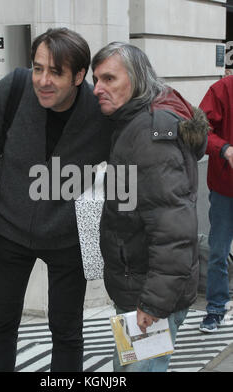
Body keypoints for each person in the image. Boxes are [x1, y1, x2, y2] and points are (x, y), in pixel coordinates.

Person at [0, 28, 112, 372]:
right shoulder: (15, 87)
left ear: (79, 76)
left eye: (56, 72)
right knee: (1, 324)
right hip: (9, 231)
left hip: (67, 239)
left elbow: (142, 139)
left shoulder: (100, 112)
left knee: (67, 332)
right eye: (38, 68)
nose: (43, 80)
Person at [91, 42, 208, 372]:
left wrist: (153, 304)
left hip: (150, 296)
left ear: (136, 79)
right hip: (141, 289)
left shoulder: (149, 136)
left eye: (109, 79)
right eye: (96, 79)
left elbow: (173, 229)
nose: (98, 88)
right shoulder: (130, 123)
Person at [198, 76, 233, 333]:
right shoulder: (222, 89)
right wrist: (225, 149)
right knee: (218, 251)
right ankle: (215, 308)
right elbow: (199, 129)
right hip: (225, 187)